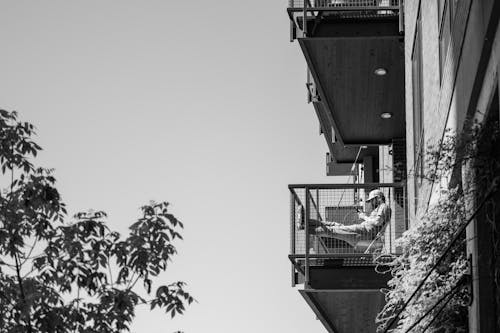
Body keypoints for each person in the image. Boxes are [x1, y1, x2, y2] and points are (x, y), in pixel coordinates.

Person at [297, 189, 391, 248]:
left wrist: (364, 217)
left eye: (372, 200)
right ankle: (305, 221)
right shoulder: (380, 208)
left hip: (363, 233)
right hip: (362, 232)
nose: (371, 203)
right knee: (334, 225)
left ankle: (306, 228)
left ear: (378, 198)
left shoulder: (383, 206)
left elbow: (378, 222)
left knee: (332, 230)